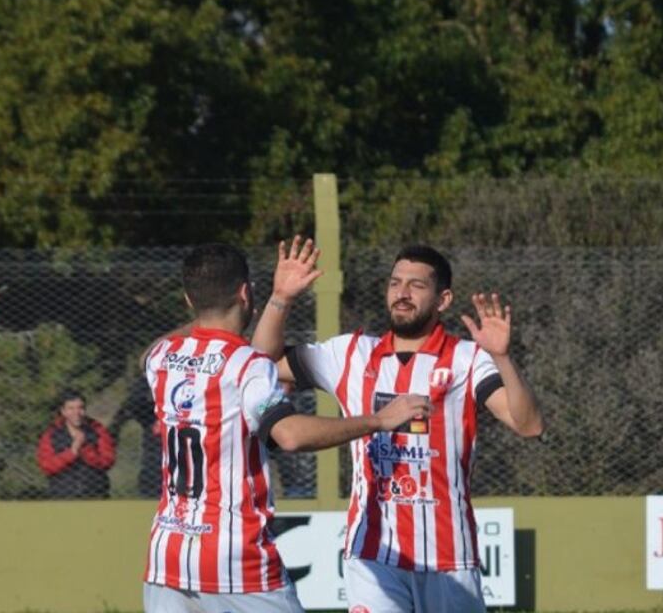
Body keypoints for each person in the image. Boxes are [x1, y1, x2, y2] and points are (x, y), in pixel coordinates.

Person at [252, 238, 544, 613]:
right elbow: (259, 366)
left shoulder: (467, 359)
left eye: (416, 285)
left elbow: (529, 424)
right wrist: (281, 298)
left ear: (443, 300)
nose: (402, 294)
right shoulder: (351, 355)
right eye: (395, 283)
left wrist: (502, 358)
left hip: (449, 558)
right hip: (373, 555)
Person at [141, 242, 430, 613]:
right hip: (235, 559)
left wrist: (226, 302)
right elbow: (289, 435)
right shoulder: (245, 365)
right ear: (246, 293)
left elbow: (153, 352)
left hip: (168, 557)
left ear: (188, 300)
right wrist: (379, 419)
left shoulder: (163, 359)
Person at [36, 389, 117, 499]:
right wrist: (71, 452)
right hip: (62, 496)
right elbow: (46, 466)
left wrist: (85, 450)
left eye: (80, 408)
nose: (77, 413)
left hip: (96, 494)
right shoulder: (51, 434)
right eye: (71, 408)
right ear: (63, 411)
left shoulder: (98, 430)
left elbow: (108, 460)